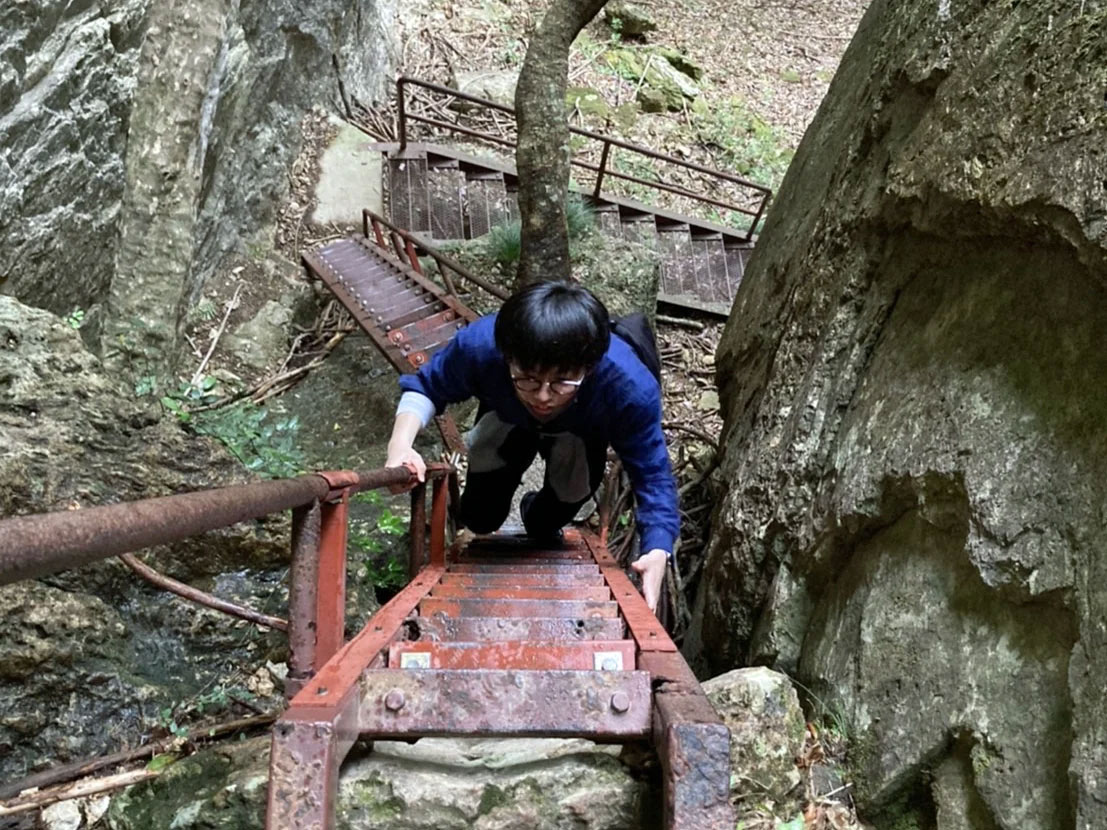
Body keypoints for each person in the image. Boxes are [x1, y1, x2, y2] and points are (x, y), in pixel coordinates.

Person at [384, 280, 677, 612]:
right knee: (480, 518)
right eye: (528, 378)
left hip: (580, 434)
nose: (542, 396)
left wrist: (657, 548)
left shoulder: (627, 385)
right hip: (506, 420)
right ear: (507, 357)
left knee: (548, 520)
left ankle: (536, 515)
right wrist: (400, 446)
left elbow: (652, 474)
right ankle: (492, 514)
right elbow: (427, 387)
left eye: (562, 382)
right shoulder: (480, 347)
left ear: (590, 368)